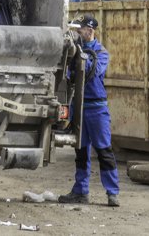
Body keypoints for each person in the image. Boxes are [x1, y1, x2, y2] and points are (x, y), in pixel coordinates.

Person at [59, 14, 120, 207]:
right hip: (80, 105)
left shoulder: (101, 53)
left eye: (81, 29)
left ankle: (112, 193)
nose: (78, 32)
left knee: (104, 150)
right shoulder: (75, 50)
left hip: (96, 107)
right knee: (81, 151)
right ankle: (80, 191)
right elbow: (69, 75)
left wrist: (80, 55)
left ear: (90, 30)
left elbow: (93, 73)